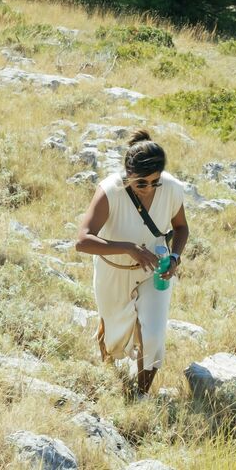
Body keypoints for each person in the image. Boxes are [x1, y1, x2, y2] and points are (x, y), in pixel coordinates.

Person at [74, 130, 190, 397]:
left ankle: (141, 395)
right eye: (141, 183)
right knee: (114, 334)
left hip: (155, 272)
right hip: (113, 272)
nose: (149, 188)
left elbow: (181, 227)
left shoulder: (172, 188)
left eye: (155, 182)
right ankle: (107, 347)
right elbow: (82, 241)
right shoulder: (110, 191)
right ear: (128, 174)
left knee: (153, 335)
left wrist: (174, 256)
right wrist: (128, 248)